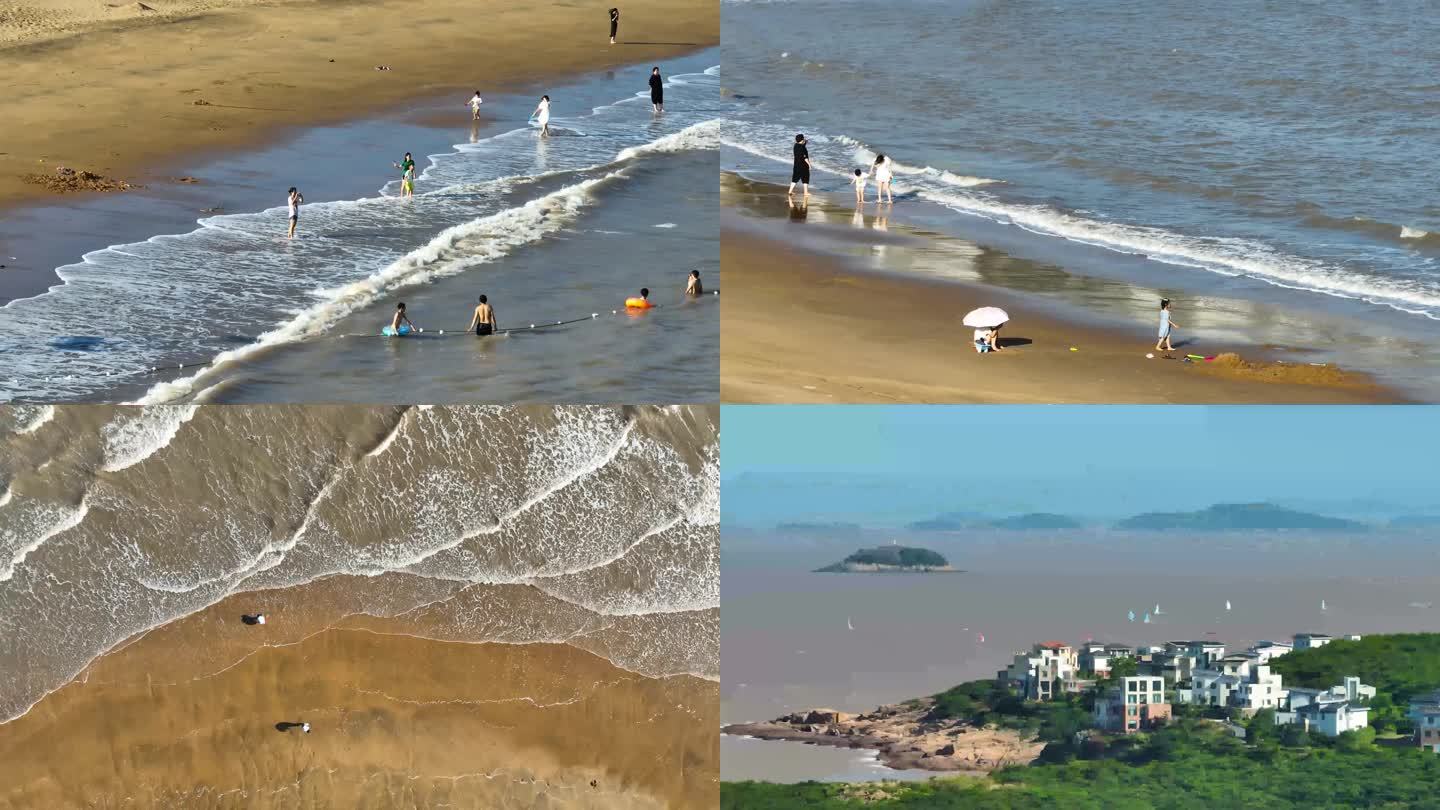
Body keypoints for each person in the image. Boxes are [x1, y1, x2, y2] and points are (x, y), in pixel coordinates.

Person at [788, 134, 810, 198]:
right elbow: (805, 157)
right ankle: (805, 192)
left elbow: (802, 146)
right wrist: (809, 165)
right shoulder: (802, 147)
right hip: (803, 165)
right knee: (805, 178)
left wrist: (805, 142)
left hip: (796, 165)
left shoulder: (795, 146)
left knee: (794, 179)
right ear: (802, 140)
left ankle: (790, 191)